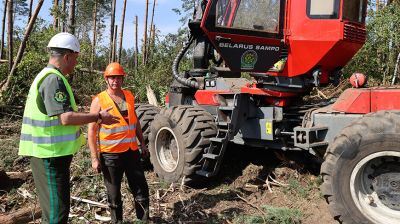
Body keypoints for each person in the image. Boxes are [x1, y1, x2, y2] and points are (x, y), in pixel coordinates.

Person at [18, 32, 119, 224]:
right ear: (67, 56)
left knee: (56, 210)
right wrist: (98, 117)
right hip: (49, 157)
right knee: (57, 214)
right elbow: (65, 118)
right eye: (75, 58)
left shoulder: (50, 77)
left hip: (51, 156)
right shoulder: (52, 80)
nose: (76, 63)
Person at [88, 62, 150, 223]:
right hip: (111, 156)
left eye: (118, 77)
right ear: (106, 79)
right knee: (114, 195)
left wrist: (142, 143)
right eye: (112, 77)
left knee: (141, 190)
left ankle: (142, 220)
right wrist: (94, 159)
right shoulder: (99, 100)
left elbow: (134, 121)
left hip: (131, 152)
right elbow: (91, 131)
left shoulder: (128, 96)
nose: (115, 80)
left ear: (123, 79)